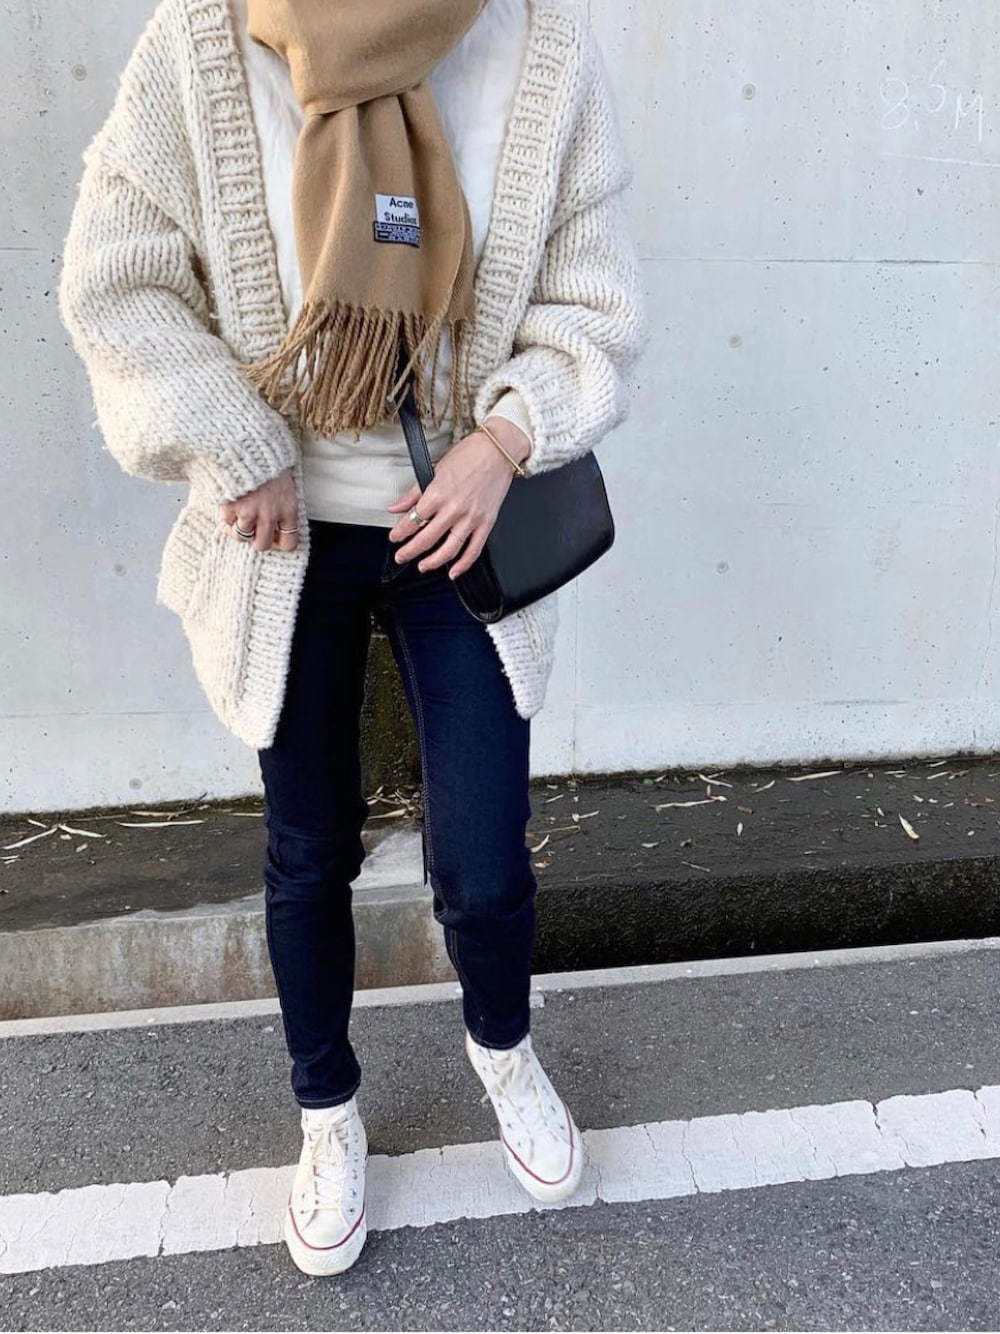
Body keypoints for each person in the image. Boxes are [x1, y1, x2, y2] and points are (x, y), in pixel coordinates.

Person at [59, 0, 645, 1277]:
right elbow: (118, 279)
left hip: (460, 530)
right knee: (308, 847)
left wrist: (505, 439)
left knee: (482, 860)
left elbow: (592, 301)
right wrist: (234, 437)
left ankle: (503, 1047)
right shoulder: (204, 41)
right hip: (282, 541)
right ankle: (326, 1109)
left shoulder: (539, 47)